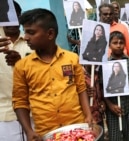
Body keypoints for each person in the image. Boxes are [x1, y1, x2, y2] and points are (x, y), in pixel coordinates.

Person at [12, 8, 92, 139]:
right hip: (46, 132)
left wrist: (88, 115)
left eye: (31, 32)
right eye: (25, 32)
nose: (26, 37)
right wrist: (28, 130)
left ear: (50, 34)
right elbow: (20, 102)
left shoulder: (72, 58)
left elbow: (80, 89)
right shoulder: (22, 66)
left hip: (76, 127)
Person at [0, 1, 32, 141]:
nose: (11, 21)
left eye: (15, 15)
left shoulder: (32, 41)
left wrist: (21, 64)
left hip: (35, 112)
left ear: (20, 17)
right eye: (5, 16)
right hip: (5, 114)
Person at [105, 31, 129, 141]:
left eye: (121, 42)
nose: (118, 45)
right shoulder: (105, 64)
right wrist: (109, 105)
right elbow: (102, 86)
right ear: (109, 45)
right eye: (115, 43)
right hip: (114, 108)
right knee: (115, 138)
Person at [83, 65, 105, 141]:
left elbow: (100, 90)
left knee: (101, 137)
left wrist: (102, 102)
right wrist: (86, 94)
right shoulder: (80, 75)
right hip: (88, 118)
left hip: (99, 115)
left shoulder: (97, 73)